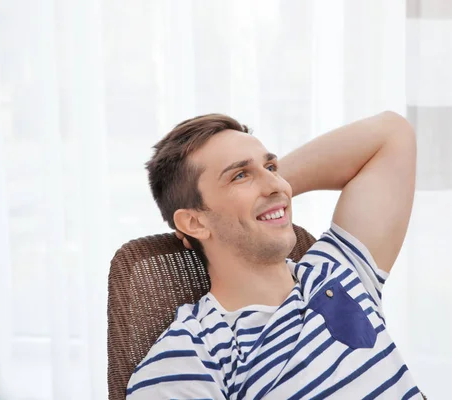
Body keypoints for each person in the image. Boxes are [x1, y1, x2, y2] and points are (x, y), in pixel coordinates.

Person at [127, 111, 423, 399]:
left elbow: (392, 133)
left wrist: (260, 195)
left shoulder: (337, 270)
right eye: (240, 175)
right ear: (194, 222)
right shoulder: (188, 359)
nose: (279, 185)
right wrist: (251, 202)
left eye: (271, 168)